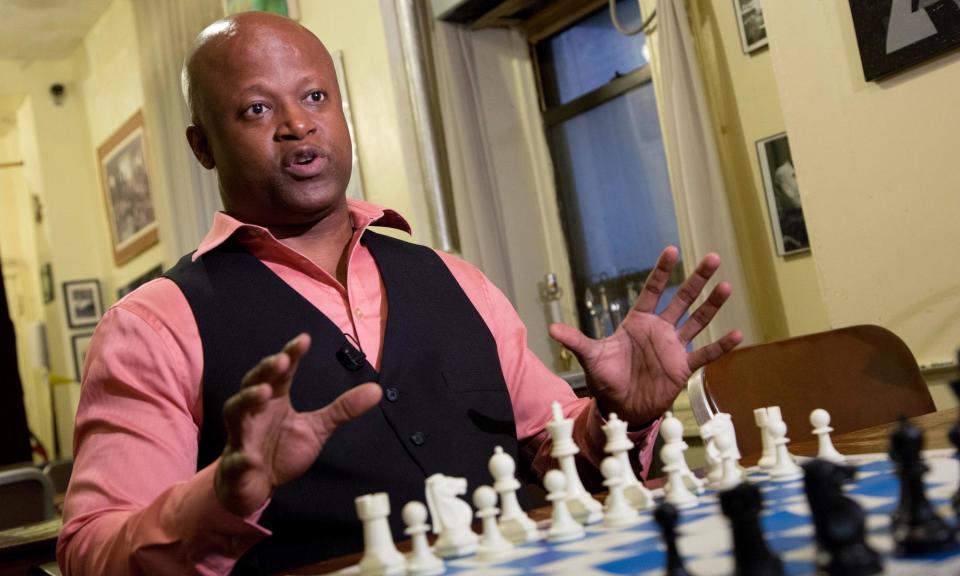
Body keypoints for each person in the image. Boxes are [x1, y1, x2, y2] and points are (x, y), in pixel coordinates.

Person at [57, 12, 742, 576]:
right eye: (257, 108)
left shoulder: (454, 278)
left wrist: (621, 417)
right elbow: (90, 552)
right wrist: (220, 496)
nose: (297, 125)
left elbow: (566, 462)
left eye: (316, 97)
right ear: (203, 146)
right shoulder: (153, 325)